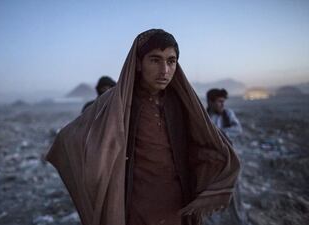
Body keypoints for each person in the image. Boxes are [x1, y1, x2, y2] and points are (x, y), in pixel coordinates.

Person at [44, 29, 240, 225]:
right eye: (155, 60)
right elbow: (69, 140)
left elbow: (205, 141)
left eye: (171, 61)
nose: (164, 70)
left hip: (177, 206)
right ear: (138, 63)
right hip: (136, 206)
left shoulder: (182, 103)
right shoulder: (117, 103)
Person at [206, 88, 247, 225]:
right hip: (213, 165)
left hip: (230, 163)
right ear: (211, 102)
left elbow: (237, 130)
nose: (222, 105)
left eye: (223, 102)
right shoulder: (205, 117)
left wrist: (217, 134)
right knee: (212, 199)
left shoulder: (227, 115)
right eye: (219, 102)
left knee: (235, 197)